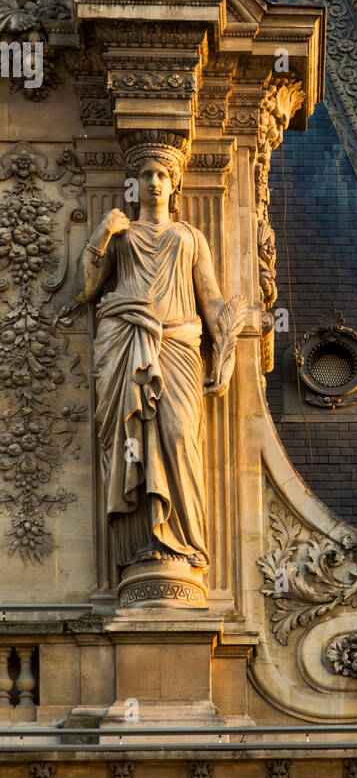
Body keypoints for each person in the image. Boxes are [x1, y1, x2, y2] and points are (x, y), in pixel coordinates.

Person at [75, 134, 238, 571]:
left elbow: (213, 300)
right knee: (135, 443)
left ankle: (184, 544)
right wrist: (101, 233)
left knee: (181, 435)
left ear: (175, 183)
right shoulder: (122, 236)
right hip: (127, 347)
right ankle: (146, 544)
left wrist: (228, 348)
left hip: (179, 347)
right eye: (145, 175)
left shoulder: (190, 236)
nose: (153, 182)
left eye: (162, 175)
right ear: (134, 183)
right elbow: (86, 289)